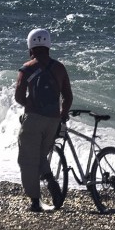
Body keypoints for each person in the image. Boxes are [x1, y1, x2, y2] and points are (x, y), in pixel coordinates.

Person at [14, 27, 73, 212]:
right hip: (53, 120)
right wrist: (62, 115)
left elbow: (18, 96)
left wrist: (30, 106)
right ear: (48, 45)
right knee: (41, 155)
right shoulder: (59, 68)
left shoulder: (27, 67)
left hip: (33, 118)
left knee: (27, 159)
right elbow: (68, 97)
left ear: (30, 47)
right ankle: (50, 181)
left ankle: (35, 201)